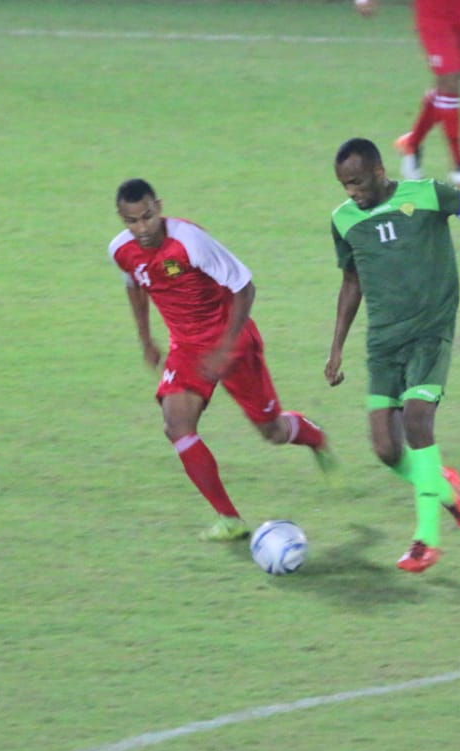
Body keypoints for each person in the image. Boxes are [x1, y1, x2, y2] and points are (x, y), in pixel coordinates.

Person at [326, 137, 460, 572]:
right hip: (383, 342)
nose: (352, 192)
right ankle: (442, 487)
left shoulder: (427, 195)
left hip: (429, 332)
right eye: (345, 184)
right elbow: (351, 282)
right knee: (386, 450)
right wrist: (336, 348)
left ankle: (426, 540)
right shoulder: (344, 220)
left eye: (358, 182)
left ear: (379, 172)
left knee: (418, 422)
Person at [108, 178, 334, 543]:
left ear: (159, 207)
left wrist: (225, 348)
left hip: (233, 341)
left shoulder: (190, 242)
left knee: (272, 432)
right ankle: (229, 519)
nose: (142, 228)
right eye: (131, 221)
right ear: (122, 219)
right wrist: (145, 338)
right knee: (176, 426)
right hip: (186, 348)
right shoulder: (121, 250)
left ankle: (312, 434)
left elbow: (244, 287)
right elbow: (134, 284)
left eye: (147, 216)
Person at [354, 0, 460, 185]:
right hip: (433, 12)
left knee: (449, 85)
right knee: (450, 79)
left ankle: (411, 143)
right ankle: (459, 163)